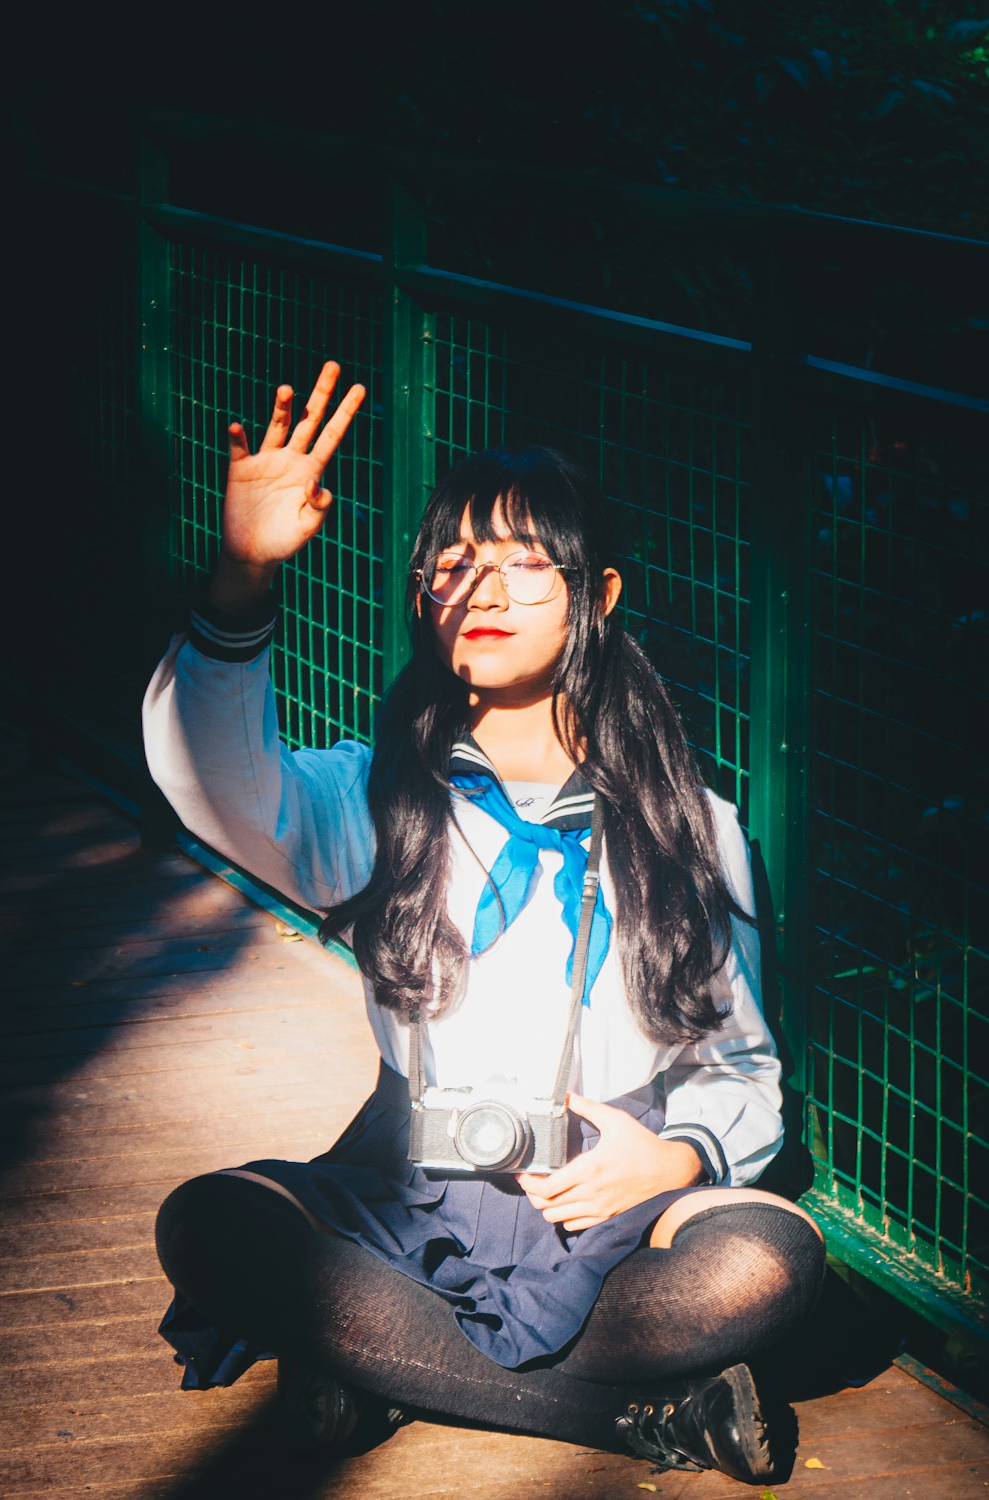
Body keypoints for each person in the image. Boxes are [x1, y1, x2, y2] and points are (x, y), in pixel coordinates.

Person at [143, 360, 826, 1486]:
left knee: (760, 1267)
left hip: (607, 1190)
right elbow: (211, 780)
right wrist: (241, 580)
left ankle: (371, 1360)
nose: (487, 590)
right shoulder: (371, 796)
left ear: (597, 598)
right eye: (457, 563)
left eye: (526, 565)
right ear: (424, 597)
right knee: (210, 1225)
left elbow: (740, 1063)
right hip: (405, 1181)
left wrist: (674, 1153)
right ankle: (641, 1418)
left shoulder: (688, 822)